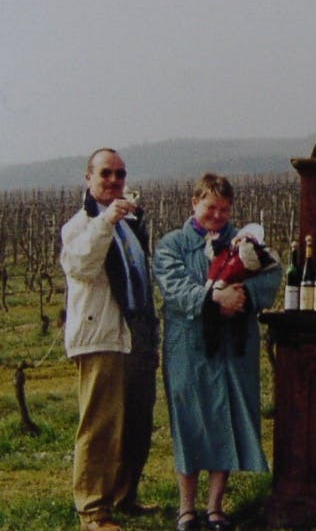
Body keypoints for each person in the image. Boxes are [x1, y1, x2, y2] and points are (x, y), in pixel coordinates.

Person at [153, 174, 281, 531]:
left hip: (233, 348)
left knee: (225, 419)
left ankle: (215, 507)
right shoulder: (172, 244)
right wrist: (213, 299)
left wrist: (242, 297)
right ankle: (186, 509)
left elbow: (272, 275)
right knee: (189, 422)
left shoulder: (245, 241)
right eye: (211, 207)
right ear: (194, 203)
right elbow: (173, 286)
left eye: (224, 209)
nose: (217, 215)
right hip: (188, 347)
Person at [60, 148, 159, 531]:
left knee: (136, 420)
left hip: (134, 332)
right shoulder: (80, 225)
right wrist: (106, 221)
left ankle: (124, 496)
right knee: (100, 425)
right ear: (88, 177)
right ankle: (93, 511)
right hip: (100, 333)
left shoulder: (128, 226)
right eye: (106, 174)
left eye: (120, 174)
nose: (114, 180)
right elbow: (81, 265)